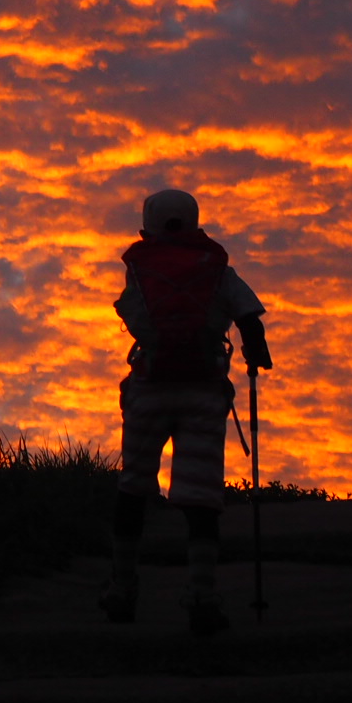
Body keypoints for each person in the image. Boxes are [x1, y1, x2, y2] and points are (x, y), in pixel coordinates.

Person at [102, 187, 272, 637]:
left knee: (134, 486)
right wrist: (255, 354)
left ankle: (122, 587)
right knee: (200, 495)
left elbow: (134, 317)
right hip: (202, 392)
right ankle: (201, 593)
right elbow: (250, 319)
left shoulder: (138, 270)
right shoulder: (217, 269)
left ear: (147, 227)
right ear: (196, 224)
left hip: (149, 389)